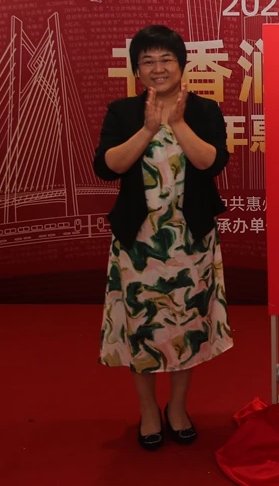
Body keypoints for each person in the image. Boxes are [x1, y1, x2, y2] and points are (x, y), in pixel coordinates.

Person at [93, 25, 233, 451]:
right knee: (141, 327)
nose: (158, 68)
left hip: (190, 241)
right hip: (139, 243)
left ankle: (177, 407)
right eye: (148, 61)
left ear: (182, 65)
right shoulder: (123, 112)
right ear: (137, 70)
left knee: (187, 326)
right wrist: (148, 129)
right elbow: (107, 167)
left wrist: (177, 123)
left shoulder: (205, 110)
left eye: (166, 59)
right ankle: (148, 410)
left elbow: (211, 162)